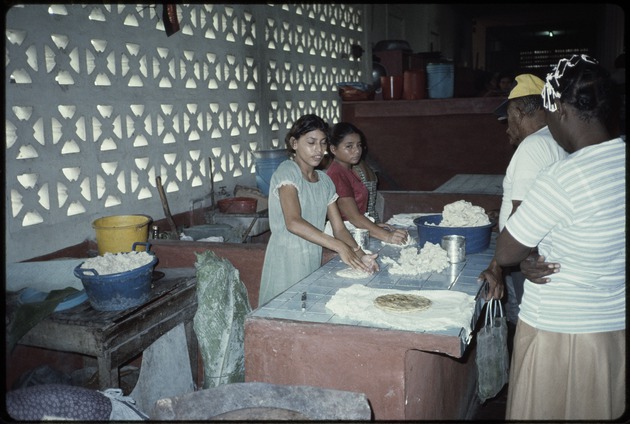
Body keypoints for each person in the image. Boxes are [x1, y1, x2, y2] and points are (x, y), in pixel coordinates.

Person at [495, 54, 625, 420]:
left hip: (559, 332)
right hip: (612, 331)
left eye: (548, 117)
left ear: (561, 111)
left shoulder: (563, 177)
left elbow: (506, 250)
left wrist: (523, 255)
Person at [258, 114, 379, 306]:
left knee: (305, 308)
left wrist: (359, 254)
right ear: (294, 143)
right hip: (285, 260)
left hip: (310, 258)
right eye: (311, 142)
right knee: (283, 311)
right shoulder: (287, 172)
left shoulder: (324, 181)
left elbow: (339, 229)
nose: (319, 150)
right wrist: (339, 247)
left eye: (323, 143)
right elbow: (293, 222)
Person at [478, 74, 568, 327]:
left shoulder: (533, 145)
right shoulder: (557, 140)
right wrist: (501, 214)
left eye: (508, 119)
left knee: (525, 323)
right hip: (543, 251)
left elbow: (522, 215)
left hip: (525, 257)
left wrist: (496, 265)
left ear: (518, 112)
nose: (507, 127)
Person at [326, 122, 408, 245]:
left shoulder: (348, 170)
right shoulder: (337, 174)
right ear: (333, 149)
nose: (357, 150)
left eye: (359, 145)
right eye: (349, 146)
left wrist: (373, 227)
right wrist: (387, 236)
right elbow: (353, 217)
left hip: (356, 229)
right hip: (345, 236)